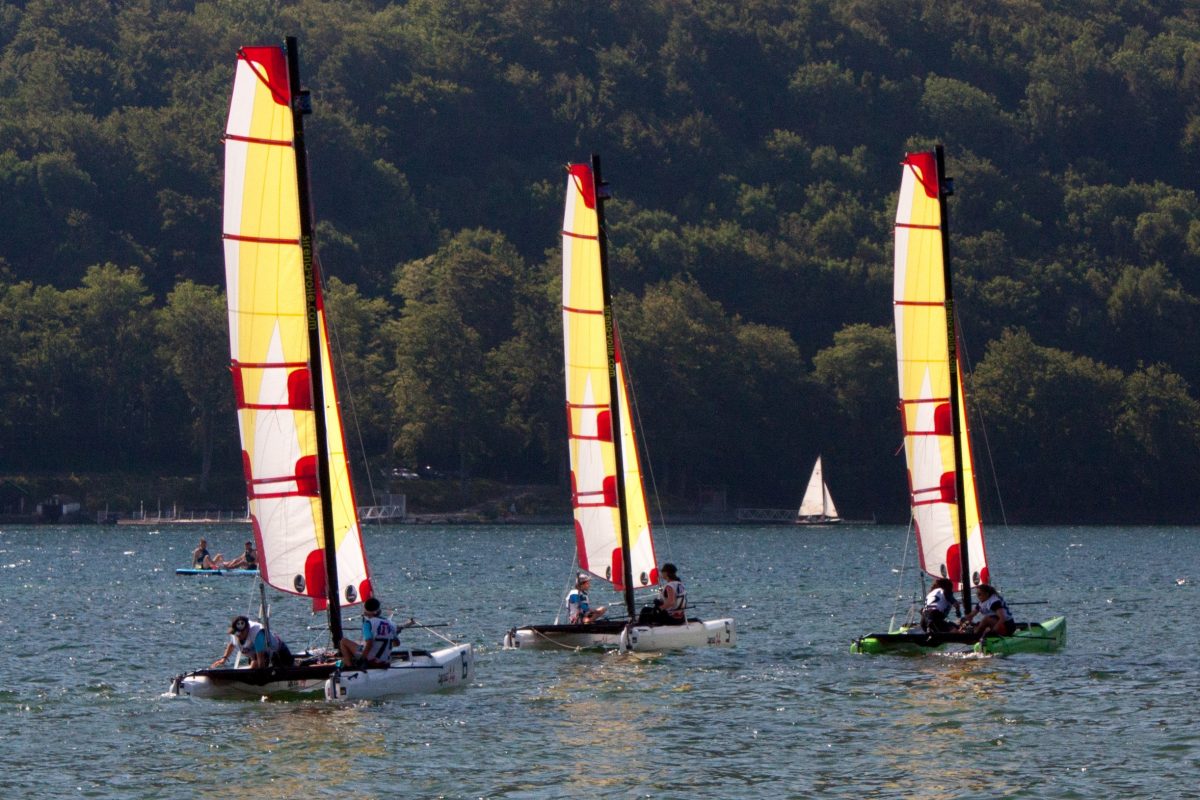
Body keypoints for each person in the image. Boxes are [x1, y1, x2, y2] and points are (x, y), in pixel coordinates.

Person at [338, 598, 400, 668]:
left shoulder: (368, 623)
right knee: (360, 645)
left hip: (371, 661)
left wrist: (362, 659)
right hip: (385, 662)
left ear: (365, 611)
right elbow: (397, 644)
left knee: (343, 641)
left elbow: (370, 642)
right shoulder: (391, 624)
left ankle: (350, 667)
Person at [211, 615, 293, 669]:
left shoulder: (257, 635)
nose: (239, 635)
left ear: (248, 629)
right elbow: (232, 645)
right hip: (256, 655)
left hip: (279, 653)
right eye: (237, 633)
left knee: (257, 665)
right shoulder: (236, 633)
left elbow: (261, 663)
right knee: (254, 664)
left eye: (241, 633)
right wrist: (224, 658)